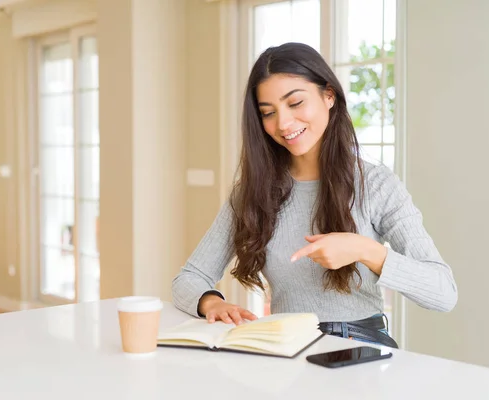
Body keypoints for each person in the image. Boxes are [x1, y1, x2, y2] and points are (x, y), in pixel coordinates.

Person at [172, 42, 457, 348]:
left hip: (360, 346)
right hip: (286, 348)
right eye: (268, 113)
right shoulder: (252, 193)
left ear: (329, 95)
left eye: (295, 103)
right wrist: (212, 304)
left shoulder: (375, 185)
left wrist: (364, 250)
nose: (283, 123)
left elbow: (443, 293)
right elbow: (188, 280)